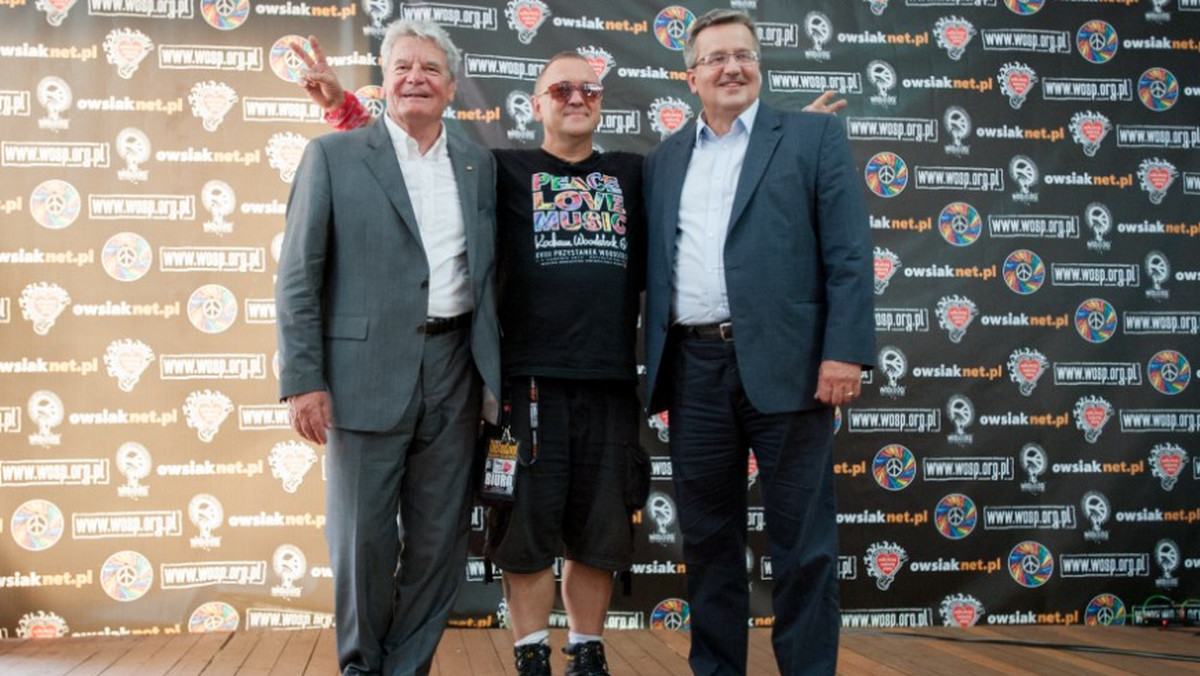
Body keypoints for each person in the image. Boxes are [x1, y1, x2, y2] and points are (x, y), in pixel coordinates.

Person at [293, 44, 647, 676]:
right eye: (560, 90)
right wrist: (344, 109)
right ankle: (396, 663)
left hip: (532, 375)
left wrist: (771, 146)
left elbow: (702, 176)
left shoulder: (604, 171)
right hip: (460, 380)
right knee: (395, 539)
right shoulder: (498, 168)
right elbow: (394, 161)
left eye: (587, 91)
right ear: (535, 104)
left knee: (475, 540)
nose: (574, 99)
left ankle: (553, 653)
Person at [641, 9, 875, 676]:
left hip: (794, 367)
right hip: (693, 370)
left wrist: (844, 352)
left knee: (803, 545)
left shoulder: (813, 137)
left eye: (743, 54)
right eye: (715, 58)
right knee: (709, 543)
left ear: (759, 66)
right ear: (691, 76)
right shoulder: (663, 161)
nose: (732, 67)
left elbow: (850, 255)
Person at [275, 19, 500, 676]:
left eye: (430, 68)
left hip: (457, 370)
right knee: (361, 545)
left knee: (438, 545)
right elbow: (297, 276)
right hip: (361, 375)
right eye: (402, 66)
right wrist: (303, 378)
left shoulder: (478, 164)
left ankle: (406, 670)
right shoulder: (334, 157)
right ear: (384, 81)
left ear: (452, 87)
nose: (415, 78)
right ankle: (361, 667)